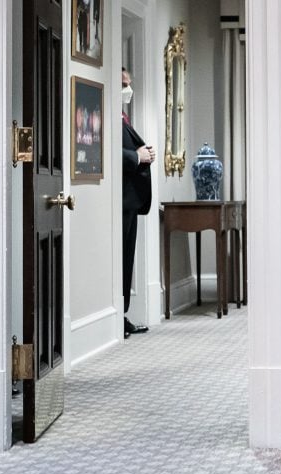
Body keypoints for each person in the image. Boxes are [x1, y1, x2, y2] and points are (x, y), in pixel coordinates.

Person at [122, 67, 155, 338]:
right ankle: (118, 317)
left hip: (130, 202)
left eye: (129, 83)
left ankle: (122, 313)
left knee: (127, 260)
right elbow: (106, 149)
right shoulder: (108, 115)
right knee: (120, 260)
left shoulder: (123, 117)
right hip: (120, 200)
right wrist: (136, 157)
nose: (128, 89)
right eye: (123, 83)